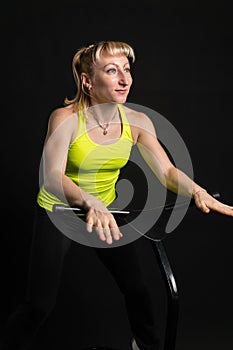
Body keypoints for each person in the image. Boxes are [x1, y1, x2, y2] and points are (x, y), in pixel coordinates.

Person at [1, 41, 232, 350]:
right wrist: (88, 201)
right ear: (87, 81)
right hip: (60, 211)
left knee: (138, 290)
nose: (125, 79)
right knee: (39, 305)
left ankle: (145, 347)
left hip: (104, 211)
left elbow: (166, 172)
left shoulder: (137, 122)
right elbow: (51, 178)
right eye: (112, 71)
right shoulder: (65, 118)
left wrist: (198, 190)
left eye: (127, 69)